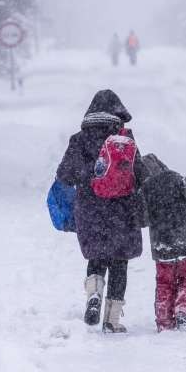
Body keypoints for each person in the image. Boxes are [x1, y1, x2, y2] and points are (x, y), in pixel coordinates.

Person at [56, 90, 147, 333]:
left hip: (90, 209)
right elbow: (141, 174)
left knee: (96, 257)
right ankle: (111, 320)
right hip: (122, 210)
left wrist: (87, 176)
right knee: (119, 262)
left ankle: (94, 294)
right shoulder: (124, 140)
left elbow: (64, 175)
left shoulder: (78, 140)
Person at [140, 154, 186, 332]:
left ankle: (164, 321)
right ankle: (183, 310)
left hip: (162, 247)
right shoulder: (180, 181)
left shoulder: (144, 191)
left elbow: (141, 220)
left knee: (164, 284)